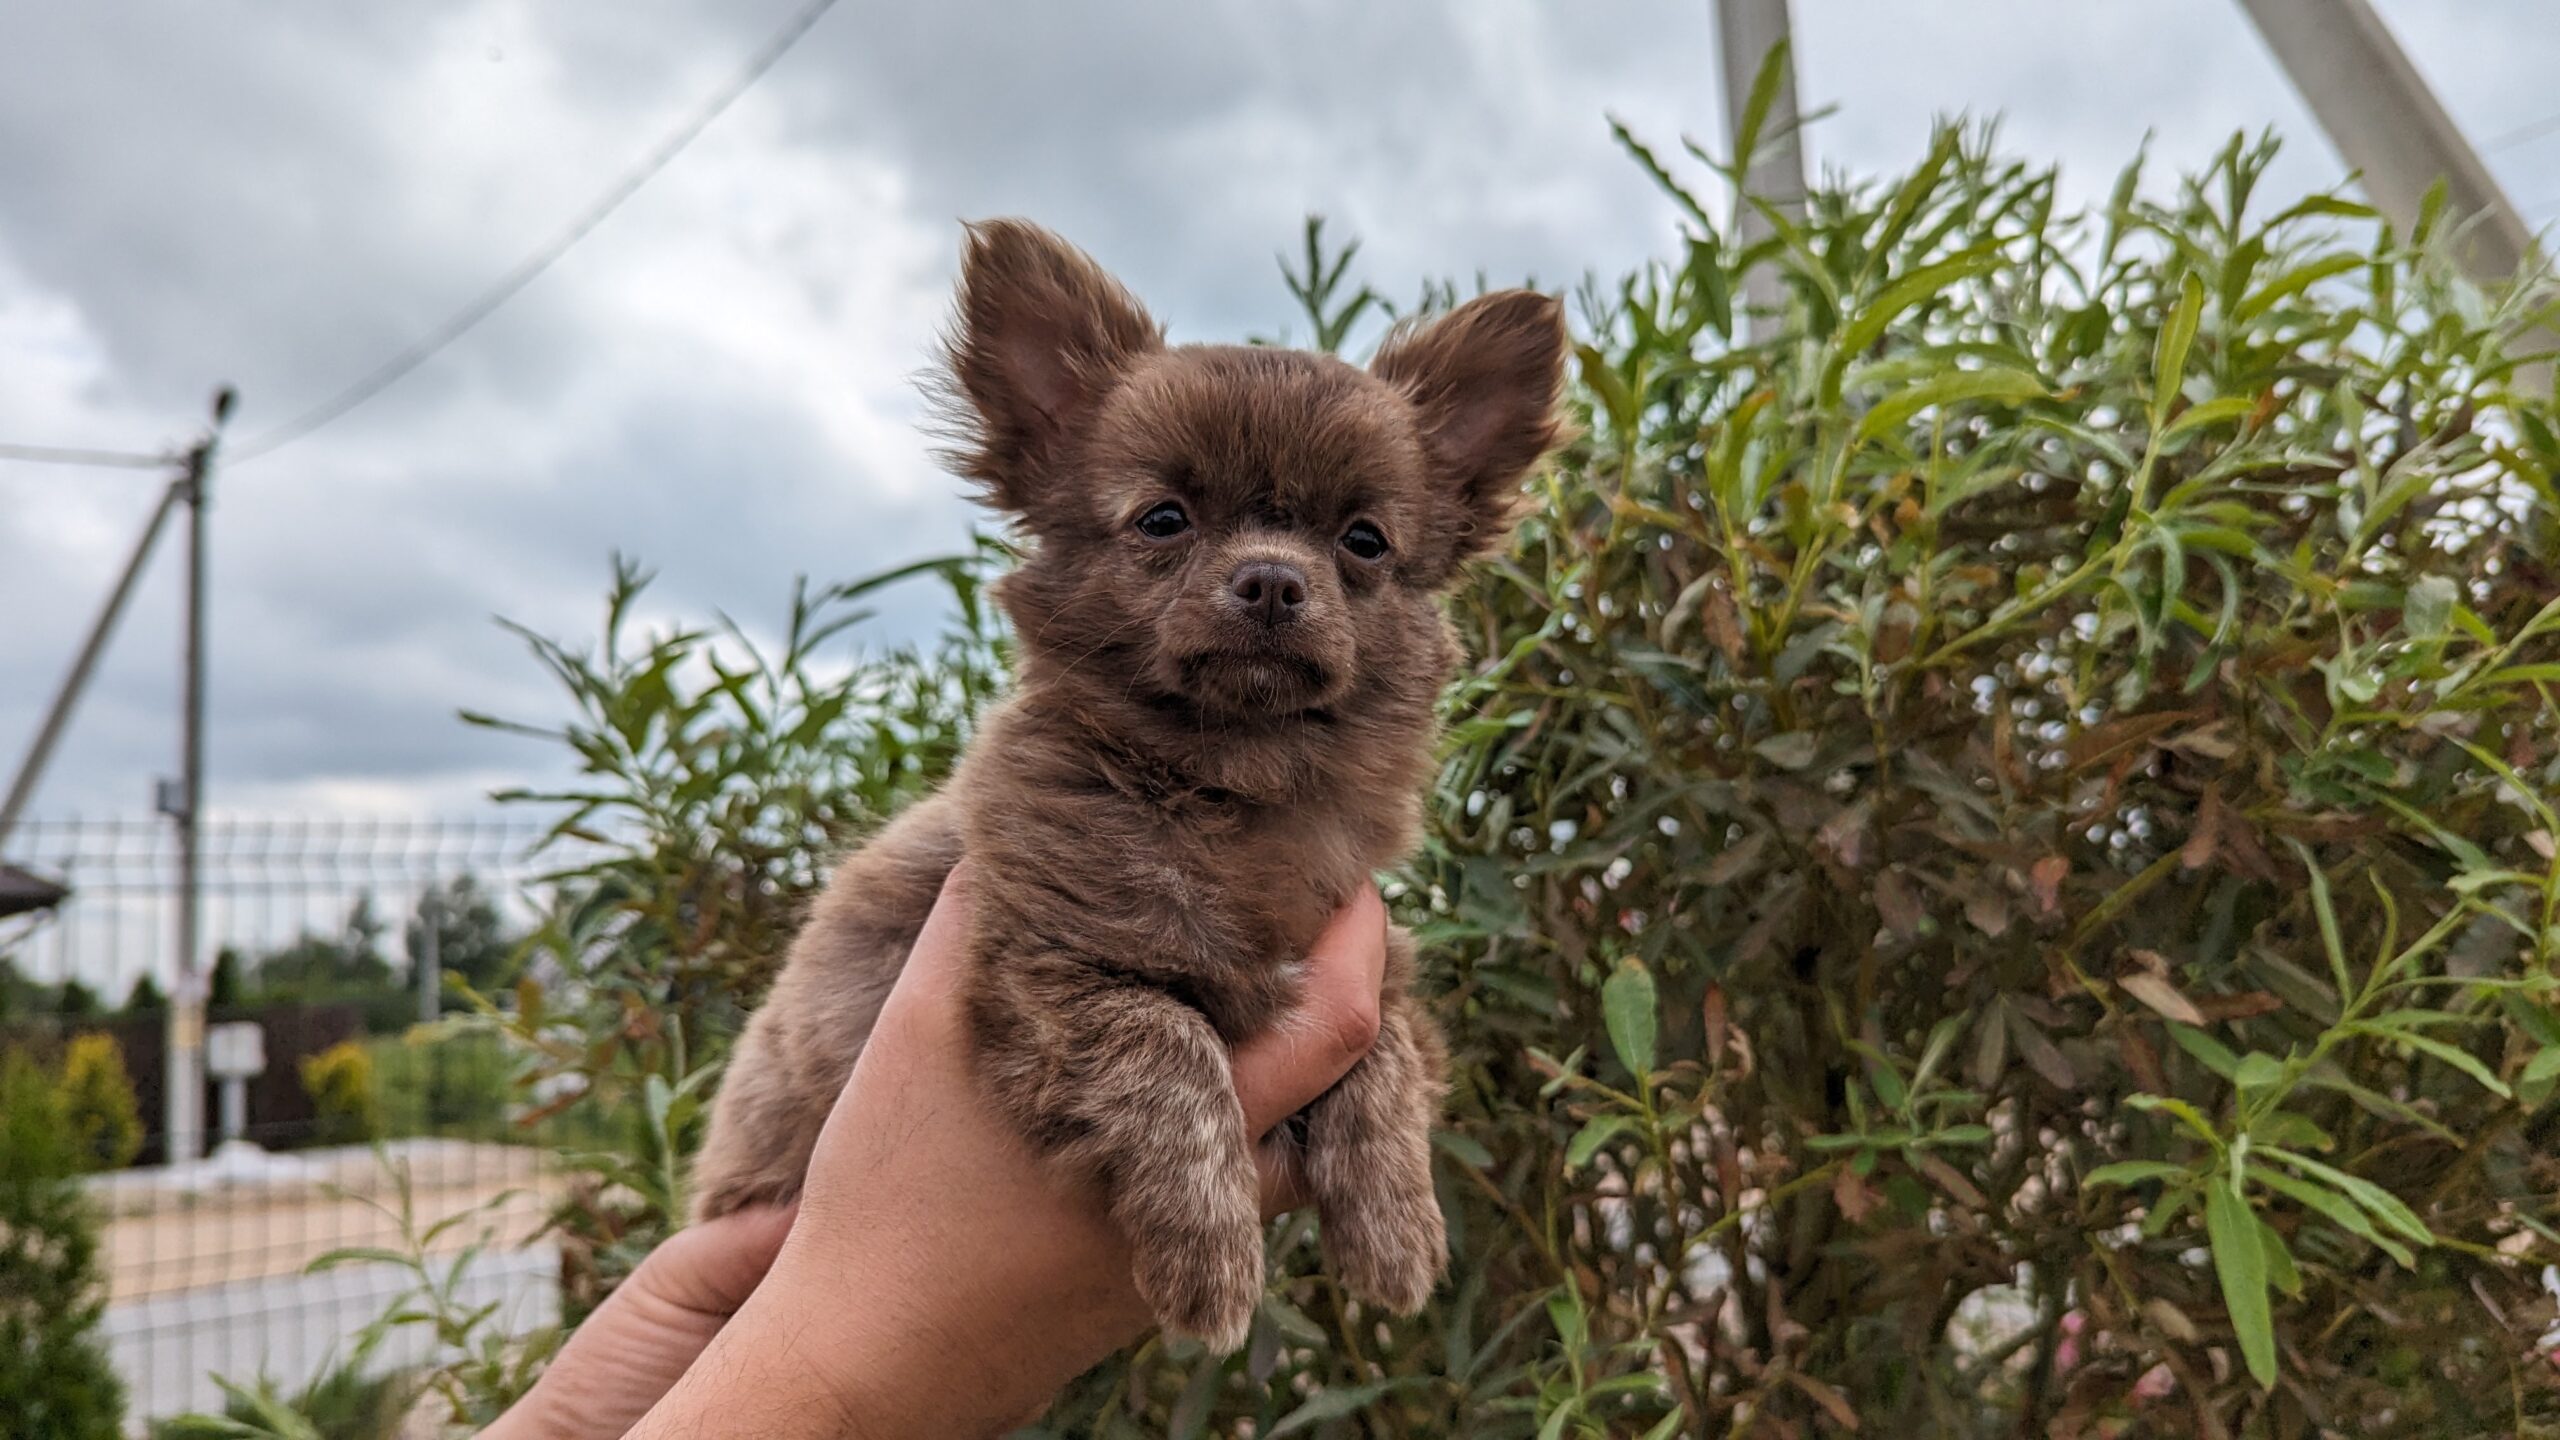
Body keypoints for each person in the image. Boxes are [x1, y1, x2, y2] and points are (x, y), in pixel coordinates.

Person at [481, 862, 1390, 1440]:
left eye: (1360, 542)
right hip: (782, 1183)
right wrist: (839, 1385)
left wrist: (562, 1426)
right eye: (1160, 537)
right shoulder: (1051, 811)